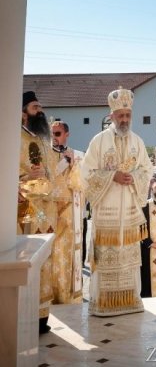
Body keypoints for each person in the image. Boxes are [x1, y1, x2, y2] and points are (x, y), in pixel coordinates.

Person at [80, 88, 152, 316]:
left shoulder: (138, 142)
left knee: (130, 260)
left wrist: (135, 178)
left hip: (129, 213)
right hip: (107, 214)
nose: (124, 120)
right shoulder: (99, 141)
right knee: (105, 258)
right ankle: (103, 304)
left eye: (127, 115)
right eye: (120, 115)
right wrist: (112, 176)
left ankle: (131, 301)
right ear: (111, 116)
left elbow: (146, 169)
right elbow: (86, 172)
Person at [19, 91, 58, 333]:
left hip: (47, 208)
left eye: (40, 106)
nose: (40, 111)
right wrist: (24, 177)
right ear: (23, 111)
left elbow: (52, 170)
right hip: (28, 208)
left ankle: (43, 315)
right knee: (29, 259)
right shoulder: (15, 137)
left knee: (45, 260)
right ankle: (26, 315)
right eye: (35, 107)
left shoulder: (44, 139)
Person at [48, 120, 84, 305]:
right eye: (52, 134)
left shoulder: (78, 156)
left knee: (66, 256)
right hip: (48, 213)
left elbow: (79, 184)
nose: (54, 138)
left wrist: (72, 164)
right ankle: (48, 296)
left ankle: (66, 297)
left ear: (67, 134)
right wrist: (62, 164)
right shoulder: (45, 155)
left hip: (70, 214)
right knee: (49, 257)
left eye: (58, 134)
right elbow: (46, 181)